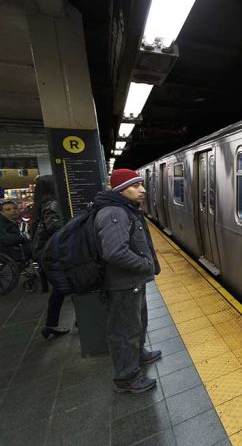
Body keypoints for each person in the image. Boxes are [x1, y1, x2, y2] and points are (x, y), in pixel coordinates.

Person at [94, 169, 161, 394]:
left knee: (138, 322)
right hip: (121, 284)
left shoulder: (123, 208)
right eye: (135, 186)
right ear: (120, 189)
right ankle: (127, 377)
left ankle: (139, 354)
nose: (142, 190)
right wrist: (144, 264)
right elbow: (114, 252)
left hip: (131, 282)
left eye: (141, 184)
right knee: (125, 331)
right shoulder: (114, 212)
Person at [30, 175, 70, 339]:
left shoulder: (40, 205)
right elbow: (55, 227)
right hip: (52, 253)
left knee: (61, 288)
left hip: (44, 252)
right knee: (66, 284)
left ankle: (51, 324)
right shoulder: (52, 204)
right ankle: (53, 324)